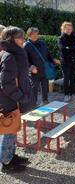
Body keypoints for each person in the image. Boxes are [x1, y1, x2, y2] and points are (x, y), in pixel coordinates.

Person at [0, 26, 32, 173]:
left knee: (13, 130)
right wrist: (20, 96)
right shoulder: (9, 55)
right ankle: (6, 162)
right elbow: (6, 83)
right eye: (20, 37)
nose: (23, 40)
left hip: (12, 99)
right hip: (9, 101)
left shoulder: (14, 53)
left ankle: (11, 156)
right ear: (12, 39)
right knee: (8, 130)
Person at [24, 27, 60, 106]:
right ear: (29, 35)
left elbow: (48, 55)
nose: (35, 35)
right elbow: (25, 60)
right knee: (34, 88)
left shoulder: (42, 43)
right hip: (34, 71)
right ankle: (33, 103)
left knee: (45, 86)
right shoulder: (26, 46)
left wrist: (53, 60)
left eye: (37, 33)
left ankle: (45, 100)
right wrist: (31, 67)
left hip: (44, 69)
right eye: (33, 34)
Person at [58, 22, 75, 102]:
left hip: (74, 61)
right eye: (67, 29)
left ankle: (72, 94)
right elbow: (63, 50)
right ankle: (66, 95)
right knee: (66, 78)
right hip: (65, 62)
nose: (69, 30)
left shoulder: (74, 37)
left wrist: (69, 48)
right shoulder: (61, 38)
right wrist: (73, 48)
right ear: (63, 29)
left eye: (70, 29)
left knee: (73, 78)